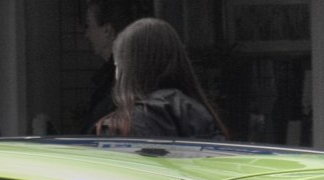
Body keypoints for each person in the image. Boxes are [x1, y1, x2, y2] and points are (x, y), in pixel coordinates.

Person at [96, 18, 227, 141]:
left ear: (128, 70)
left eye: (117, 66)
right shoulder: (202, 114)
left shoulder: (120, 127)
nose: (116, 75)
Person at [81, 0, 143, 133]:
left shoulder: (118, 81)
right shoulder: (121, 75)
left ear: (108, 31)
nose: (87, 35)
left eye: (89, 26)